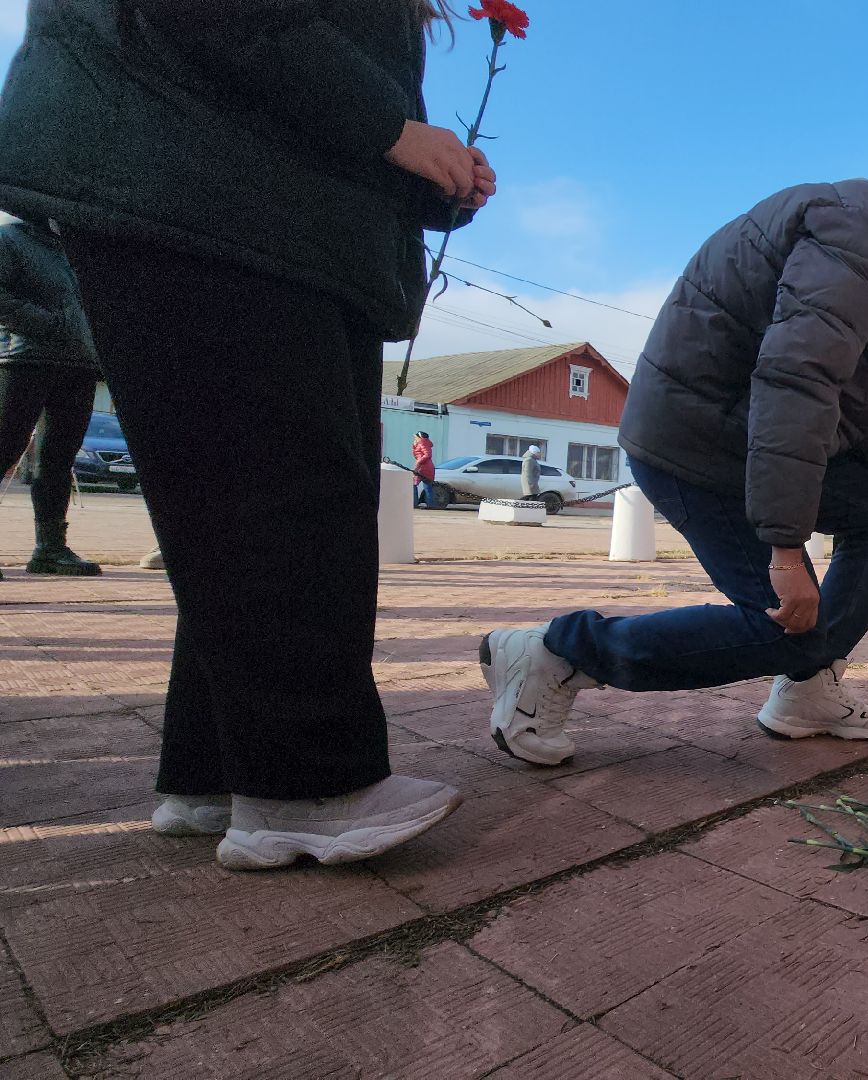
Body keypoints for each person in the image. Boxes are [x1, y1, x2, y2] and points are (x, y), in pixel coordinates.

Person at [0, 0, 497, 867]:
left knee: (247, 501)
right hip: (198, 181)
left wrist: (435, 173)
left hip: (250, 197)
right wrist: (388, 127)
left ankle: (215, 773)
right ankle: (306, 786)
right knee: (287, 496)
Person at [478, 131, 868, 766]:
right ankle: (556, 653)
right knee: (790, 625)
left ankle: (808, 691)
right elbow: (793, 384)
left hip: (738, 436)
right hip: (695, 447)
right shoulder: (855, 234)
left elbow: (828, 382)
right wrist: (784, 549)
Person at [0, 214, 102, 577]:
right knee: (5, 447)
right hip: (25, 358)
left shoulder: (73, 248)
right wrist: (49, 324)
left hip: (79, 362)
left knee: (58, 458)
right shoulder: (10, 237)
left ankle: (50, 549)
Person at [411, 430, 436, 507]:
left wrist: (418, 462)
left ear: (420, 437)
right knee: (428, 487)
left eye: (415, 437)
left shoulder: (422, 443)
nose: (414, 439)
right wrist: (414, 445)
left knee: (412, 484)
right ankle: (430, 504)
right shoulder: (424, 443)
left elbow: (427, 455)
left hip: (422, 467)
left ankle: (414, 503)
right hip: (428, 467)